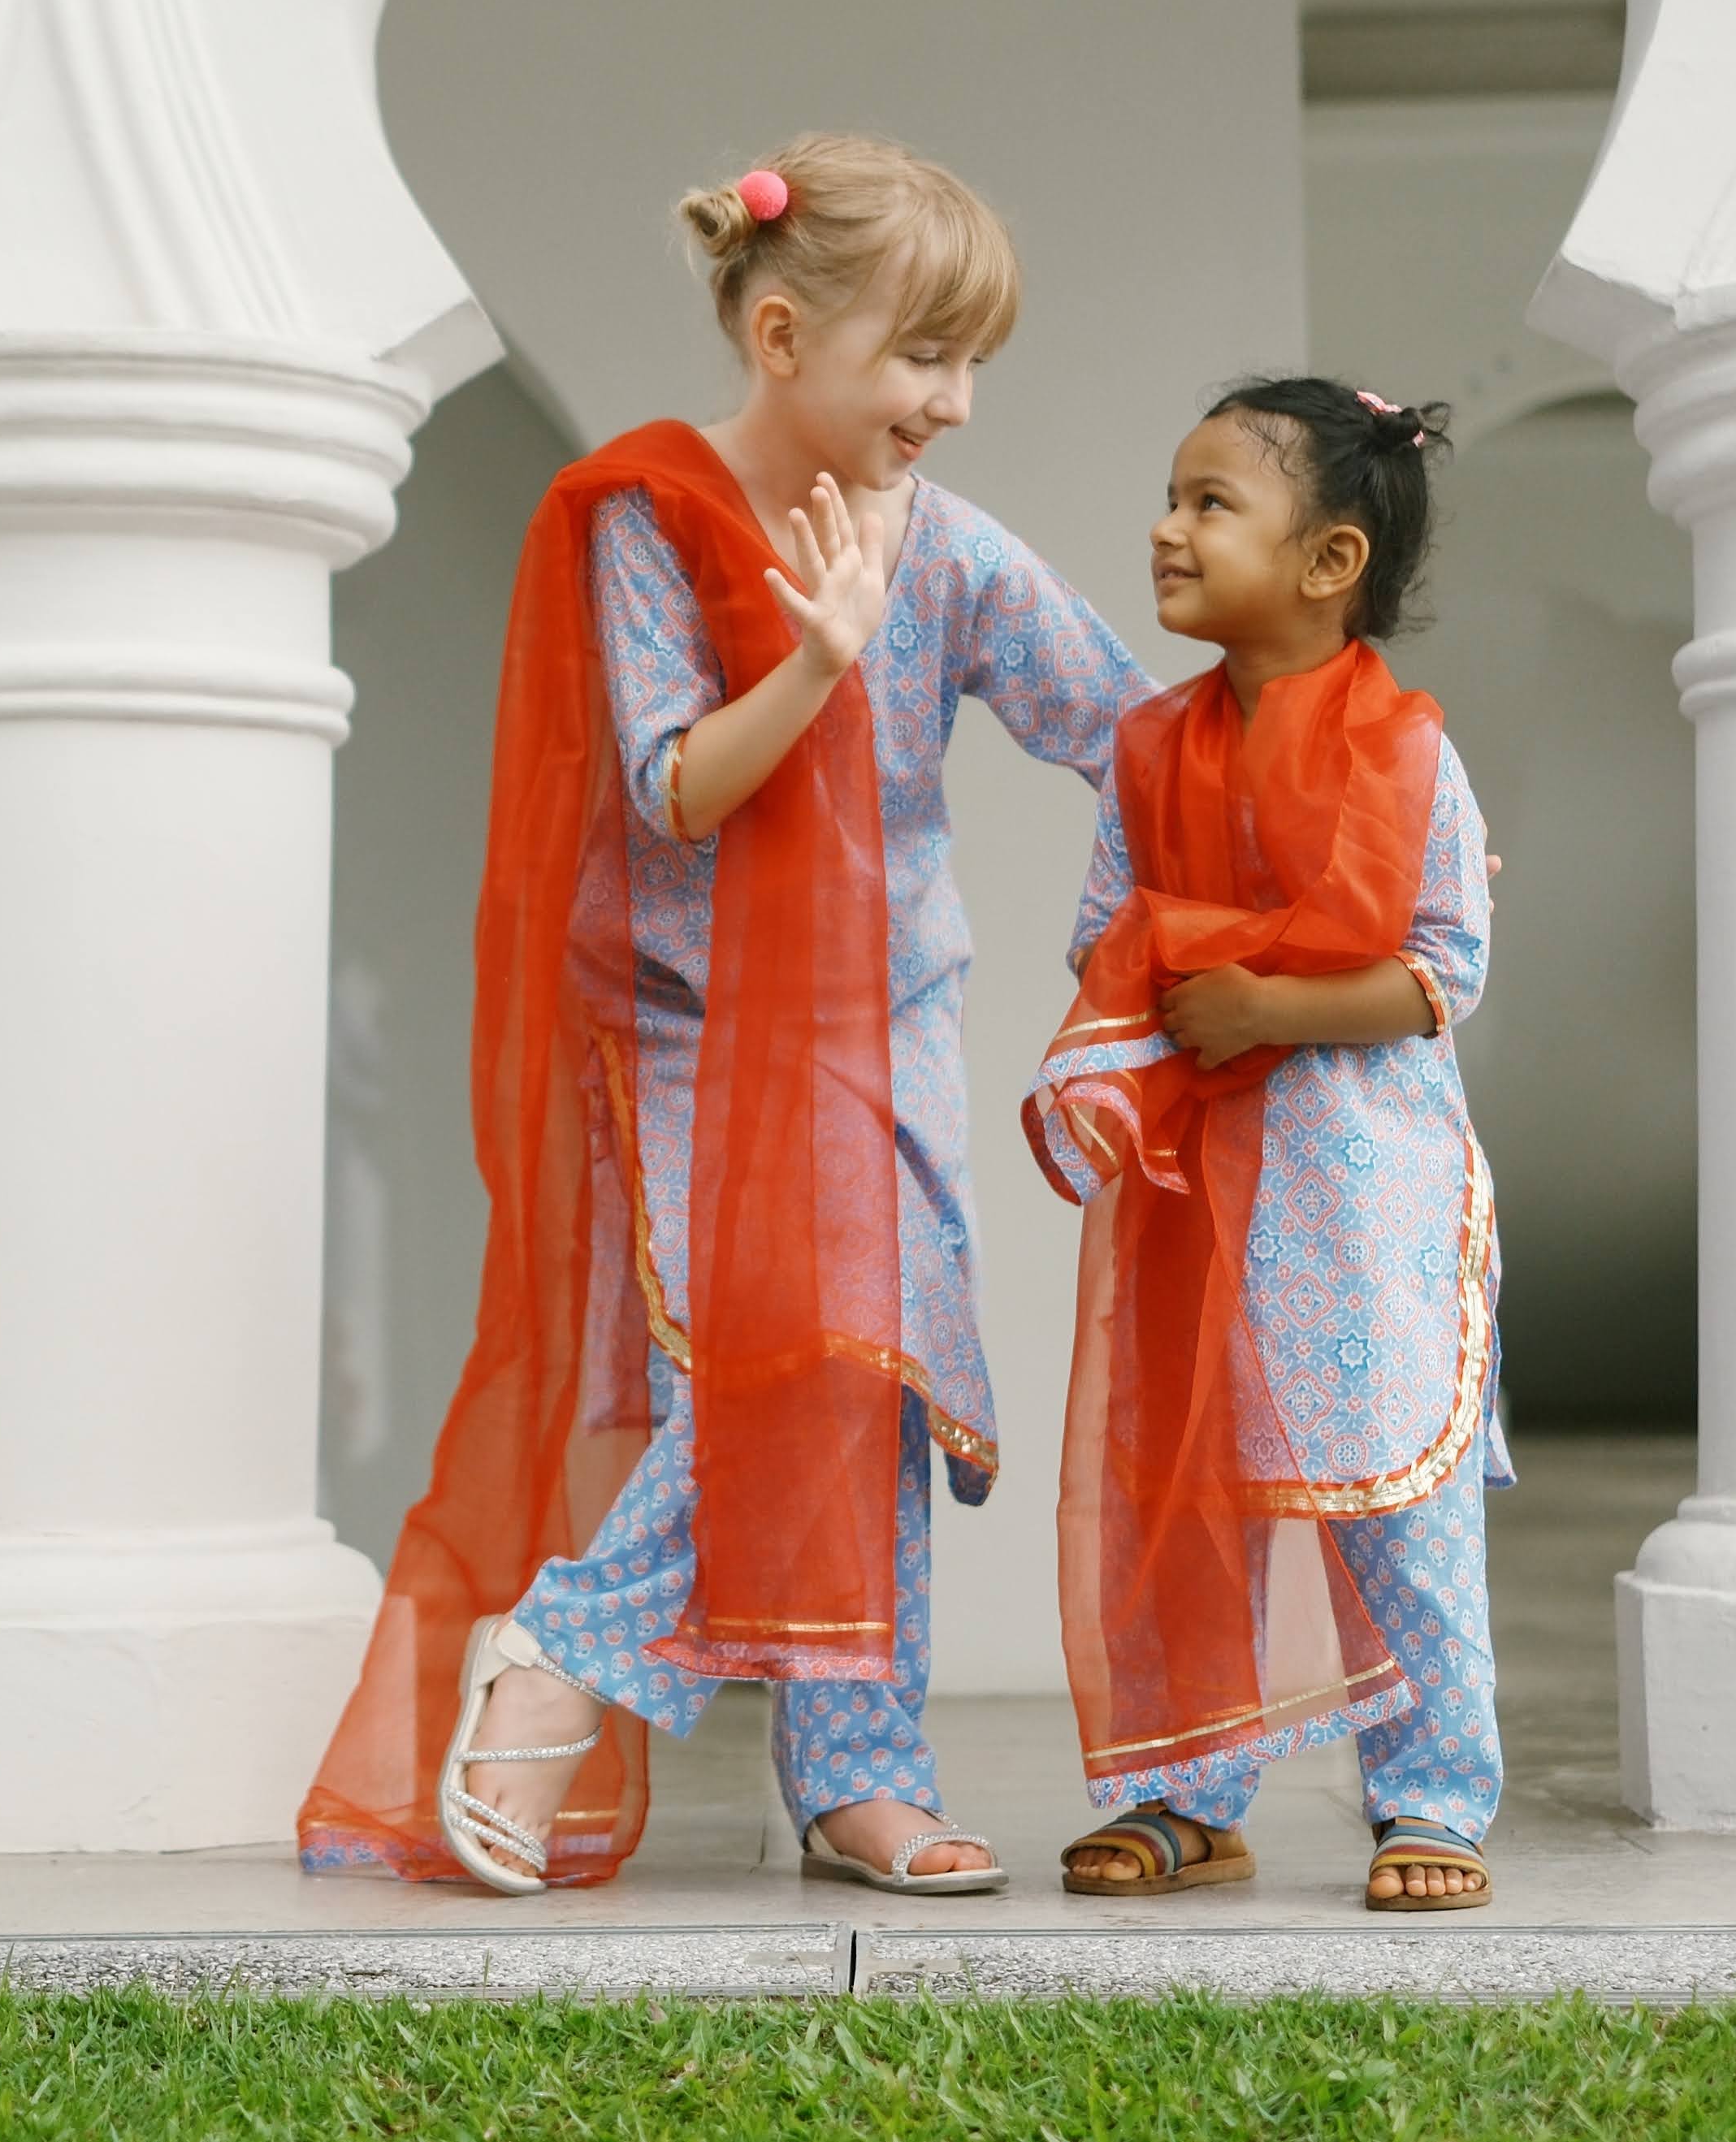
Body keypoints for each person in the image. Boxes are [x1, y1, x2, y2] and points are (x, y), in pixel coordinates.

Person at [298, 132, 1154, 1896]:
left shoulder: (959, 551)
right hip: (692, 1028)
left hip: (887, 1027)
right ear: (780, 336)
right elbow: (673, 786)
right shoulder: (642, 512)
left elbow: (1130, 733)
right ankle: (564, 1649)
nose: (956, 402)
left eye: (969, 358)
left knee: (877, 1380)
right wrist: (821, 654)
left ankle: (848, 1767)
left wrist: (1365, 803)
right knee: (794, 1367)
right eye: (923, 356)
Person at [1027, 375, 1503, 1913]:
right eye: (1171, 496)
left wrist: (1258, 1003)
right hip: (1196, 1191)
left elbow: (1443, 970)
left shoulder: (1405, 752)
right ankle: (1183, 1789)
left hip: (1364, 1196)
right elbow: (1108, 942)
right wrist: (1181, 994)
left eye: (1208, 502)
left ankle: (1429, 1796)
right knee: (1188, 1489)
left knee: (1390, 1504)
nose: (1165, 527)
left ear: (1326, 562)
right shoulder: (1147, 749)